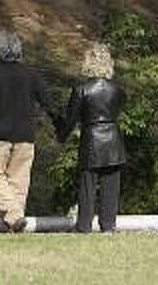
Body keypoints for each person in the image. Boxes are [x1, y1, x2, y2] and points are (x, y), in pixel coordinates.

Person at [0, 30, 59, 232]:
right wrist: (60, 125)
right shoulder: (32, 75)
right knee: (19, 182)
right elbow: (49, 104)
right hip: (25, 136)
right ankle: (15, 223)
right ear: (19, 50)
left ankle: (14, 216)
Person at [57, 43, 126, 233]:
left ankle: (84, 226)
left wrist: (61, 136)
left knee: (87, 186)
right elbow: (119, 109)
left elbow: (70, 119)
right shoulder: (117, 89)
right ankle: (108, 226)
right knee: (111, 186)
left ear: (88, 63)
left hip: (91, 139)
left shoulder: (82, 89)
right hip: (113, 139)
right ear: (109, 64)